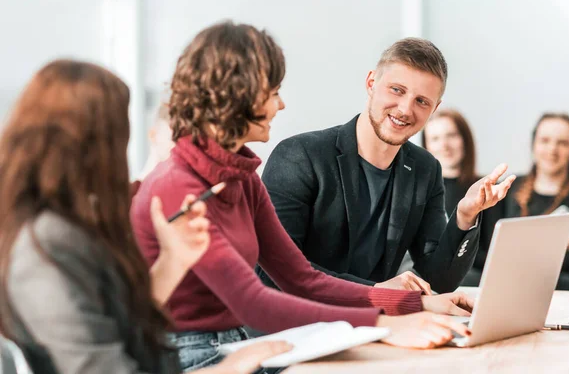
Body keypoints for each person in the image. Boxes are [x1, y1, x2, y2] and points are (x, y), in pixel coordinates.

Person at [132, 22, 473, 372]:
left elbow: (301, 279)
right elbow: (253, 302)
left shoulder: (242, 177)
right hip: (183, 356)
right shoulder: (179, 185)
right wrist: (385, 326)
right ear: (237, 95)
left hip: (236, 345)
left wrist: (409, 303)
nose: (281, 104)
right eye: (273, 91)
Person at [0, 59, 293, 374]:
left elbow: (121, 324)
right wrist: (229, 369)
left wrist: (172, 260)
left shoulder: (68, 226)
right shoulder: (45, 243)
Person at [257, 38, 515, 295]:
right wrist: (376, 292)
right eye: (397, 90)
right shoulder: (299, 156)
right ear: (371, 83)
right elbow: (274, 273)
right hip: (298, 328)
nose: (405, 109)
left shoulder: (426, 170)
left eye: (422, 101)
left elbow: (439, 280)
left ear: (434, 108)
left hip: (375, 327)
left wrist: (465, 215)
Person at [504, 113, 569, 291]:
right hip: (515, 279)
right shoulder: (509, 187)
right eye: (545, 140)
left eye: (563, 143)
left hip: (566, 284)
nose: (552, 150)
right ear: (534, 145)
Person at [421, 109, 504, 286]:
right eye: (435, 138)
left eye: (451, 135)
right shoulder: (419, 190)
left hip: (479, 276)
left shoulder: (487, 189)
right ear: (426, 146)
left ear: (465, 140)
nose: (444, 145)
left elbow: (495, 252)